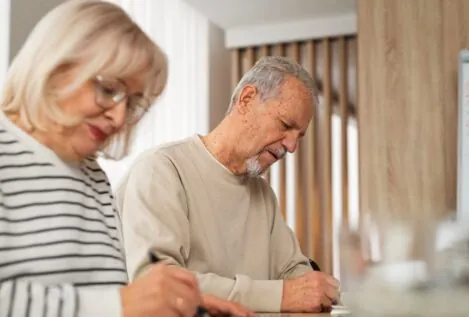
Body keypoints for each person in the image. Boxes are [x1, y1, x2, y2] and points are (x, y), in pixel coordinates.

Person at [0, 1, 254, 317]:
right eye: (109, 90)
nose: (119, 118)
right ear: (54, 65)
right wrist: (120, 305)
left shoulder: (93, 176)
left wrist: (180, 306)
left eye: (133, 104)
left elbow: (104, 298)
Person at [116, 56, 341, 313]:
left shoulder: (262, 193)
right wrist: (279, 296)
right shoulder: (161, 169)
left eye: (298, 135)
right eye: (285, 125)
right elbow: (159, 285)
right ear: (246, 100)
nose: (292, 146)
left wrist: (316, 289)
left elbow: (293, 271)